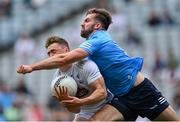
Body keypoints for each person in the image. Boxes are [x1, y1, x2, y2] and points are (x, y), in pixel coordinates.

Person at [17, 8, 180, 121]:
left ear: (97, 26)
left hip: (141, 91)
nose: (82, 24)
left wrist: (32, 67)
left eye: (86, 20)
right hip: (122, 97)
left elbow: (64, 59)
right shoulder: (92, 44)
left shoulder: (99, 39)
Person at [18, 36, 112, 121]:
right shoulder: (57, 80)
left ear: (66, 50)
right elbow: (75, 110)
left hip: (106, 104)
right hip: (85, 111)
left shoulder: (85, 65)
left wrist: (80, 101)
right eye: (49, 53)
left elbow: (102, 93)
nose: (51, 56)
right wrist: (68, 103)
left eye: (53, 51)